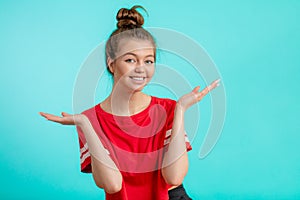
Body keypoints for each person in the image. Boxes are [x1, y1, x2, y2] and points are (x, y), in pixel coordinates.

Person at [39, 5, 220, 200]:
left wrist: (181, 109)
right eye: (131, 60)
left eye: (148, 61)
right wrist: (85, 124)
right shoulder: (89, 119)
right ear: (111, 63)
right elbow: (112, 185)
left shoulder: (168, 109)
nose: (141, 69)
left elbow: (174, 177)